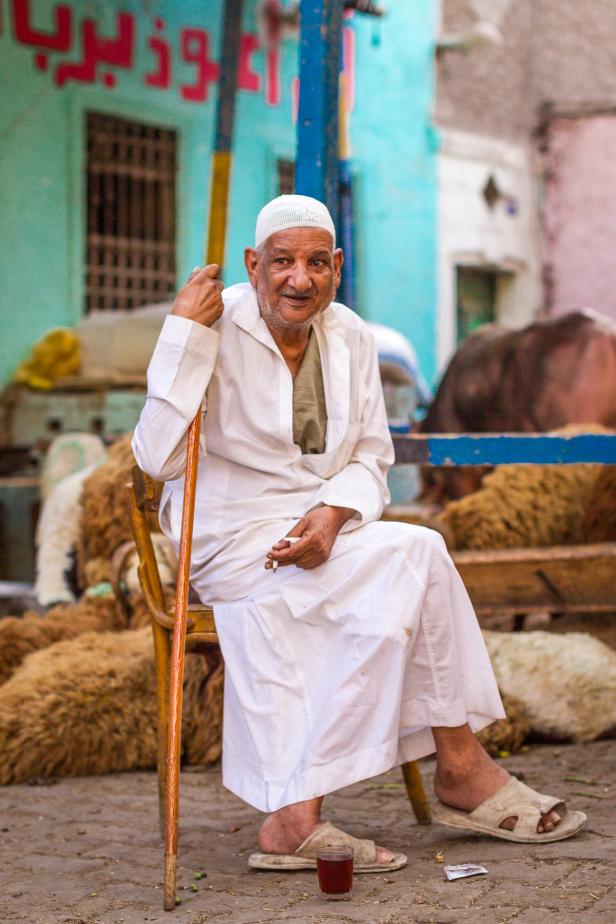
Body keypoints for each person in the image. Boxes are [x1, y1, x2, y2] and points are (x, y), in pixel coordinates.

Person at [132, 195, 585, 871]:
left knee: (418, 550)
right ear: (254, 266)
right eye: (282, 262)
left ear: (337, 267)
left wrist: (334, 513)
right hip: (231, 542)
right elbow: (155, 458)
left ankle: (425, 778)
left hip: (325, 533)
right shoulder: (214, 324)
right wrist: (183, 340)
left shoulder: (349, 336)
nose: (299, 278)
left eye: (317, 262)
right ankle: (393, 790)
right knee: (395, 567)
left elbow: (372, 456)